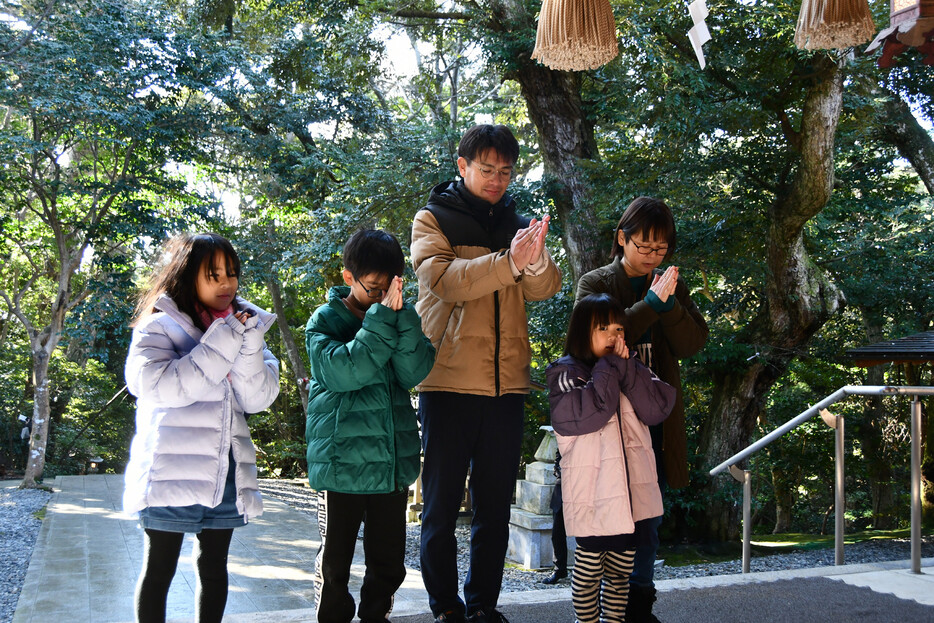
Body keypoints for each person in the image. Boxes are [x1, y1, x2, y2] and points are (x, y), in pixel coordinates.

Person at [411, 123, 562, 623]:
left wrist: (533, 263)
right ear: (462, 166)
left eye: (505, 171)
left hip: (507, 386)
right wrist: (508, 262)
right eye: (486, 169)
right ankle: (446, 608)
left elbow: (545, 288)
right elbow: (443, 281)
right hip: (447, 382)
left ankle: (483, 606)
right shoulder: (433, 218)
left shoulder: (516, 224)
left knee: (494, 511)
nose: (496, 179)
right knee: (438, 510)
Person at [123, 233, 280, 623]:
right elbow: (160, 386)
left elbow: (256, 398)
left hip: (225, 469)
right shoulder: (157, 327)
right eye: (214, 274)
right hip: (168, 472)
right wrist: (225, 338)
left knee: (214, 568)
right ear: (189, 275)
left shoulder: (247, 327)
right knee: (160, 569)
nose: (227, 283)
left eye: (232, 273)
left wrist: (246, 342)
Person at [576, 197, 708, 622]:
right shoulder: (596, 283)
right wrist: (651, 304)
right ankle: (596, 609)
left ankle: (640, 605)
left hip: (652, 422)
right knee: (606, 522)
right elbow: (592, 341)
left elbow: (691, 344)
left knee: (647, 521)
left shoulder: (673, 284)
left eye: (661, 249)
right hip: (606, 422)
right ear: (622, 239)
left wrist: (669, 307)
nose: (653, 256)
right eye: (644, 246)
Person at [305, 229, 436, 623]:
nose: (382, 295)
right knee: (335, 566)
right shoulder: (324, 321)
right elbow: (348, 371)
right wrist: (382, 318)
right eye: (373, 287)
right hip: (340, 466)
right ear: (349, 277)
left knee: (389, 564)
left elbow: (414, 370)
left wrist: (404, 319)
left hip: (389, 468)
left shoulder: (398, 316)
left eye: (390, 285)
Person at [546, 293, 676, 623]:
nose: (614, 335)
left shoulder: (629, 366)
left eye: (619, 328)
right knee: (588, 574)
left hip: (630, 498)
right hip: (592, 495)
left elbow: (657, 407)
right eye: (603, 327)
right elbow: (590, 414)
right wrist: (611, 366)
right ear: (580, 332)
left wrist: (627, 367)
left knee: (620, 575)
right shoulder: (565, 373)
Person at [540, 448, 567, 585]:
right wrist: (558, 470)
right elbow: (559, 452)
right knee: (557, 532)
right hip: (562, 484)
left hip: (584, 482)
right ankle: (559, 569)